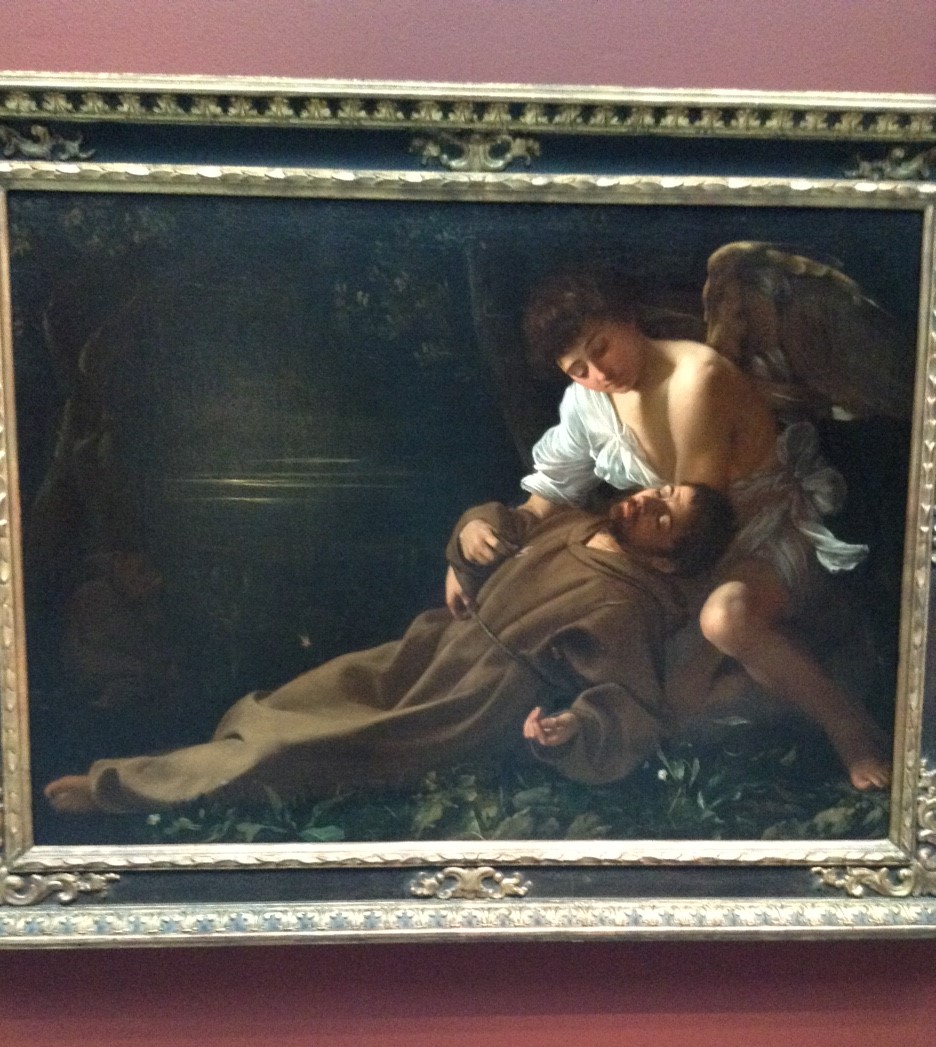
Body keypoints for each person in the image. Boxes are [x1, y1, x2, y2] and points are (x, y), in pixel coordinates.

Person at [447, 268, 890, 790]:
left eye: (601, 347)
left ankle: (847, 725)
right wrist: (474, 550)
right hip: (676, 550)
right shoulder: (589, 401)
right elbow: (549, 495)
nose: (598, 373)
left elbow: (700, 521)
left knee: (722, 620)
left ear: (627, 319)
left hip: (759, 537)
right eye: (578, 368)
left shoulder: (696, 379)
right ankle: (811, 686)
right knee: (677, 704)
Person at [44, 483, 734, 815]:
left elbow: (627, 702)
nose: (645, 503)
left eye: (663, 517)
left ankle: (120, 789)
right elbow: (501, 522)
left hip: (468, 702)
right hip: (435, 649)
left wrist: (569, 728)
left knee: (304, 750)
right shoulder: (579, 522)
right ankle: (181, 767)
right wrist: (474, 532)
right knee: (301, 699)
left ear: (667, 560)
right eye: (658, 491)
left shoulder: (626, 605)